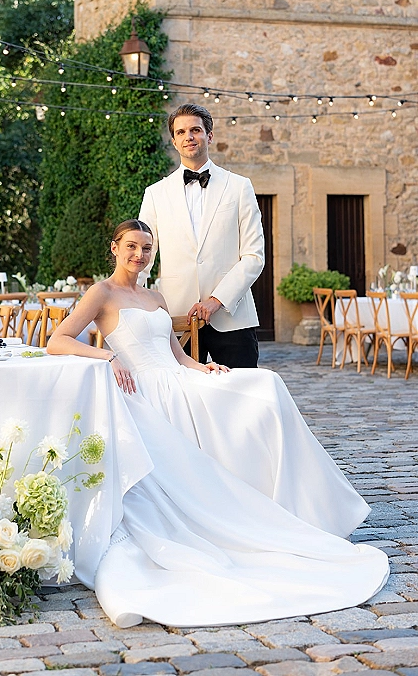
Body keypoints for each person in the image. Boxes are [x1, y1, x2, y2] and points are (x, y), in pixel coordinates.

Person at [47, 220, 388, 628]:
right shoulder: (101, 293)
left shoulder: (154, 295)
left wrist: (203, 368)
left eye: (147, 249)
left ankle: (305, 508)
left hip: (179, 379)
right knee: (263, 390)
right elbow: (58, 340)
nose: (140, 255)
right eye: (132, 247)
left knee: (266, 387)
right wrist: (109, 358)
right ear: (115, 248)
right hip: (145, 391)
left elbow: (176, 355)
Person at [138, 103, 264, 368]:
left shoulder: (240, 187)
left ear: (210, 135)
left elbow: (254, 256)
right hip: (176, 319)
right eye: (181, 132)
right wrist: (132, 302)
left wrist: (216, 300)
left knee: (240, 397)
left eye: (195, 130)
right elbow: (142, 256)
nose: (189, 137)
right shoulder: (155, 193)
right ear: (174, 141)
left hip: (232, 317)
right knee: (181, 401)